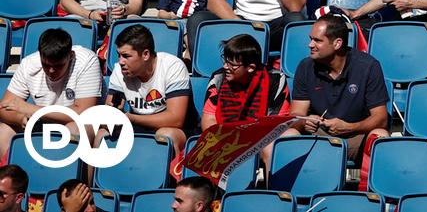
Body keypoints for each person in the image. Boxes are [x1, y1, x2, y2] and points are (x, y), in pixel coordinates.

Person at [290, 15, 390, 162]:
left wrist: (350, 127)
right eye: (311, 39)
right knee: (288, 135)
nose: (310, 45)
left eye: (317, 40)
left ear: (337, 43)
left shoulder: (367, 66)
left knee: (380, 135)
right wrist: (305, 121)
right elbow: (296, 114)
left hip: (357, 136)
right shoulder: (305, 67)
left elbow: (381, 119)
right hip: (320, 135)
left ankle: (369, 185)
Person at [202, 34, 297, 173]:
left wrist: (247, 141)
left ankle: (272, 192)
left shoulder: (275, 80)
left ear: (251, 67)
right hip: (225, 139)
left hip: (261, 140)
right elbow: (208, 121)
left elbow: (278, 123)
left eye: (232, 64)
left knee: (291, 134)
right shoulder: (218, 77)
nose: (225, 67)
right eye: (225, 61)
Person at [0, 29, 101, 159]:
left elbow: (83, 112)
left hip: (79, 124)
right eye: (46, 65)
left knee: (75, 129)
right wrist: (22, 119)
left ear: (70, 55)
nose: (51, 70)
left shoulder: (86, 60)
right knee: (4, 132)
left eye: (58, 66)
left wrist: (31, 109)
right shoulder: (29, 64)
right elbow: (4, 108)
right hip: (42, 123)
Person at [105, 23, 193, 156]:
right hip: (138, 125)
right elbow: (111, 111)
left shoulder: (172, 67)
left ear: (145, 54)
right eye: (119, 55)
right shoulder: (119, 70)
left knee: (165, 135)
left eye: (126, 56)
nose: (120, 61)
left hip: (176, 129)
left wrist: (131, 118)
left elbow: (176, 119)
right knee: (103, 133)